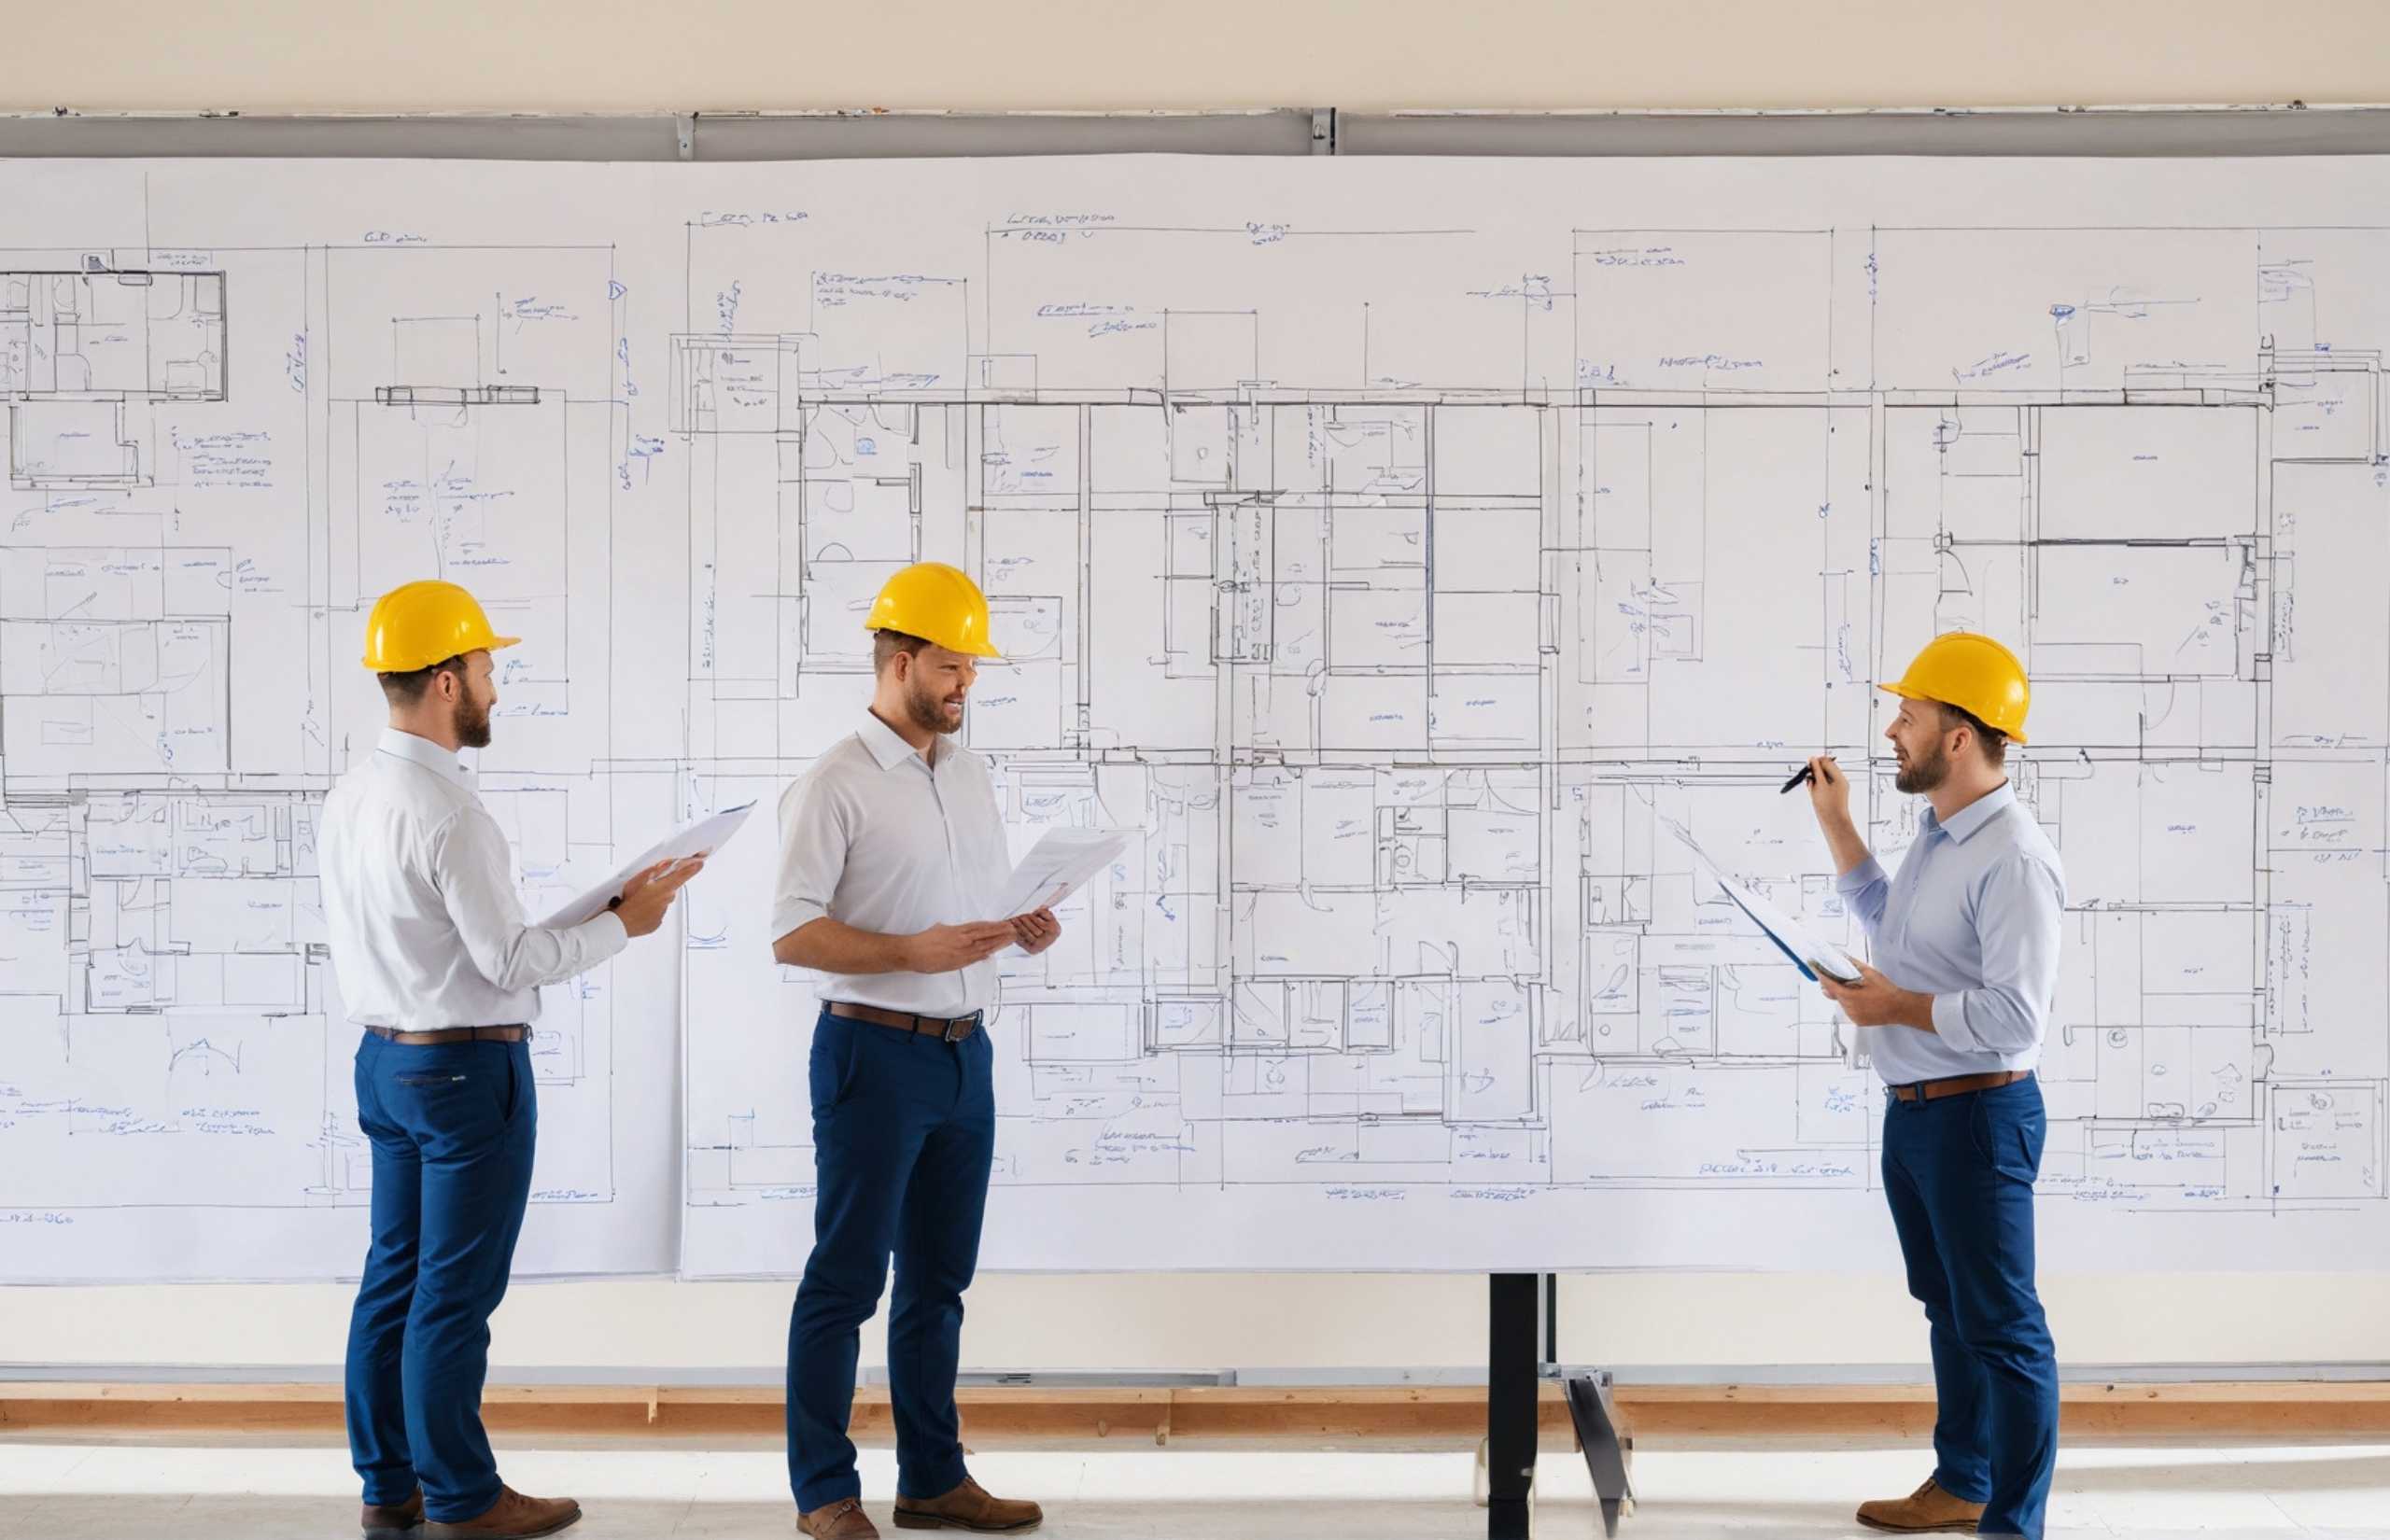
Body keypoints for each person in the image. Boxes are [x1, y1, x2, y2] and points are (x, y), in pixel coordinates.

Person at [323, 580, 700, 1540]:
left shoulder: (354, 792)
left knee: (393, 1283)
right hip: (461, 1078)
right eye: (487, 668)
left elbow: (450, 945)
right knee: (451, 1297)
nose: (495, 686)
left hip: (385, 1066)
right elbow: (510, 962)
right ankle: (462, 1497)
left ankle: (390, 1484)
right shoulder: (451, 815)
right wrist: (629, 923)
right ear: (447, 680)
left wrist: (599, 911)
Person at [770, 561, 1059, 1539]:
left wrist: (1018, 928)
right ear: (897, 662)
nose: (965, 683)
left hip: (962, 1057)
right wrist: (906, 952)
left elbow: (963, 911)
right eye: (949, 665)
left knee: (940, 1281)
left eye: (970, 666)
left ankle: (933, 1479)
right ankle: (824, 1492)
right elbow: (792, 934)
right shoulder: (833, 785)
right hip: (872, 1057)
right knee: (847, 1281)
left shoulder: (967, 775)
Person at [1801, 631, 2063, 1540]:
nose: (1891, 730)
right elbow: (1894, 927)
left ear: (1958, 736)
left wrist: (1894, 1008)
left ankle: (2011, 1523)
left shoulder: (2013, 858)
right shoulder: (1941, 833)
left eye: (1907, 715)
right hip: (1915, 1118)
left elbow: (2014, 1019)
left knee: (2003, 1329)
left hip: (1978, 1118)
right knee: (1948, 1308)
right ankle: (1962, 1481)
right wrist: (1835, 826)